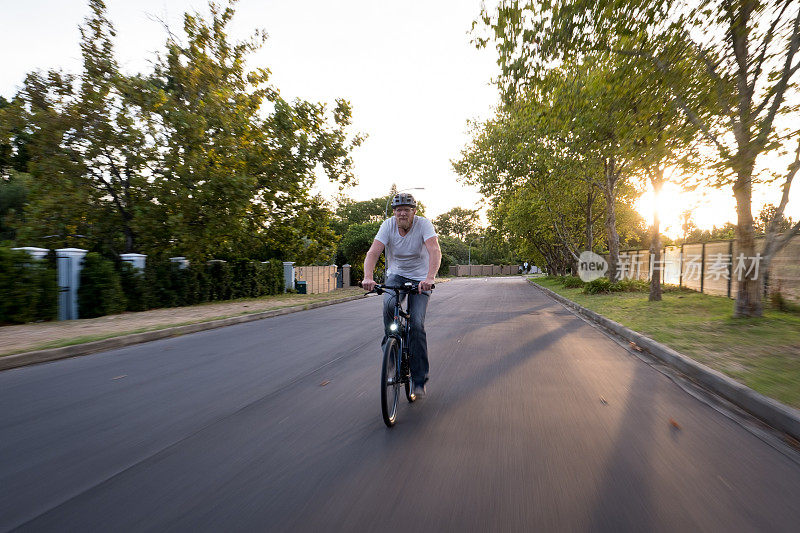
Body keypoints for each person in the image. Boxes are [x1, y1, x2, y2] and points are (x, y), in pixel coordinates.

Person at [362, 193, 441, 396]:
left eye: (407, 209)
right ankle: (391, 346)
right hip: (396, 275)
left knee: (416, 324)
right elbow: (373, 252)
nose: (402, 213)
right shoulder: (387, 226)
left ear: (414, 211)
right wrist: (368, 277)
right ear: (394, 213)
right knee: (389, 305)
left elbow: (434, 250)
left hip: (421, 279)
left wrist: (430, 278)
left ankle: (419, 378)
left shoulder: (423, 225)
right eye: (399, 210)